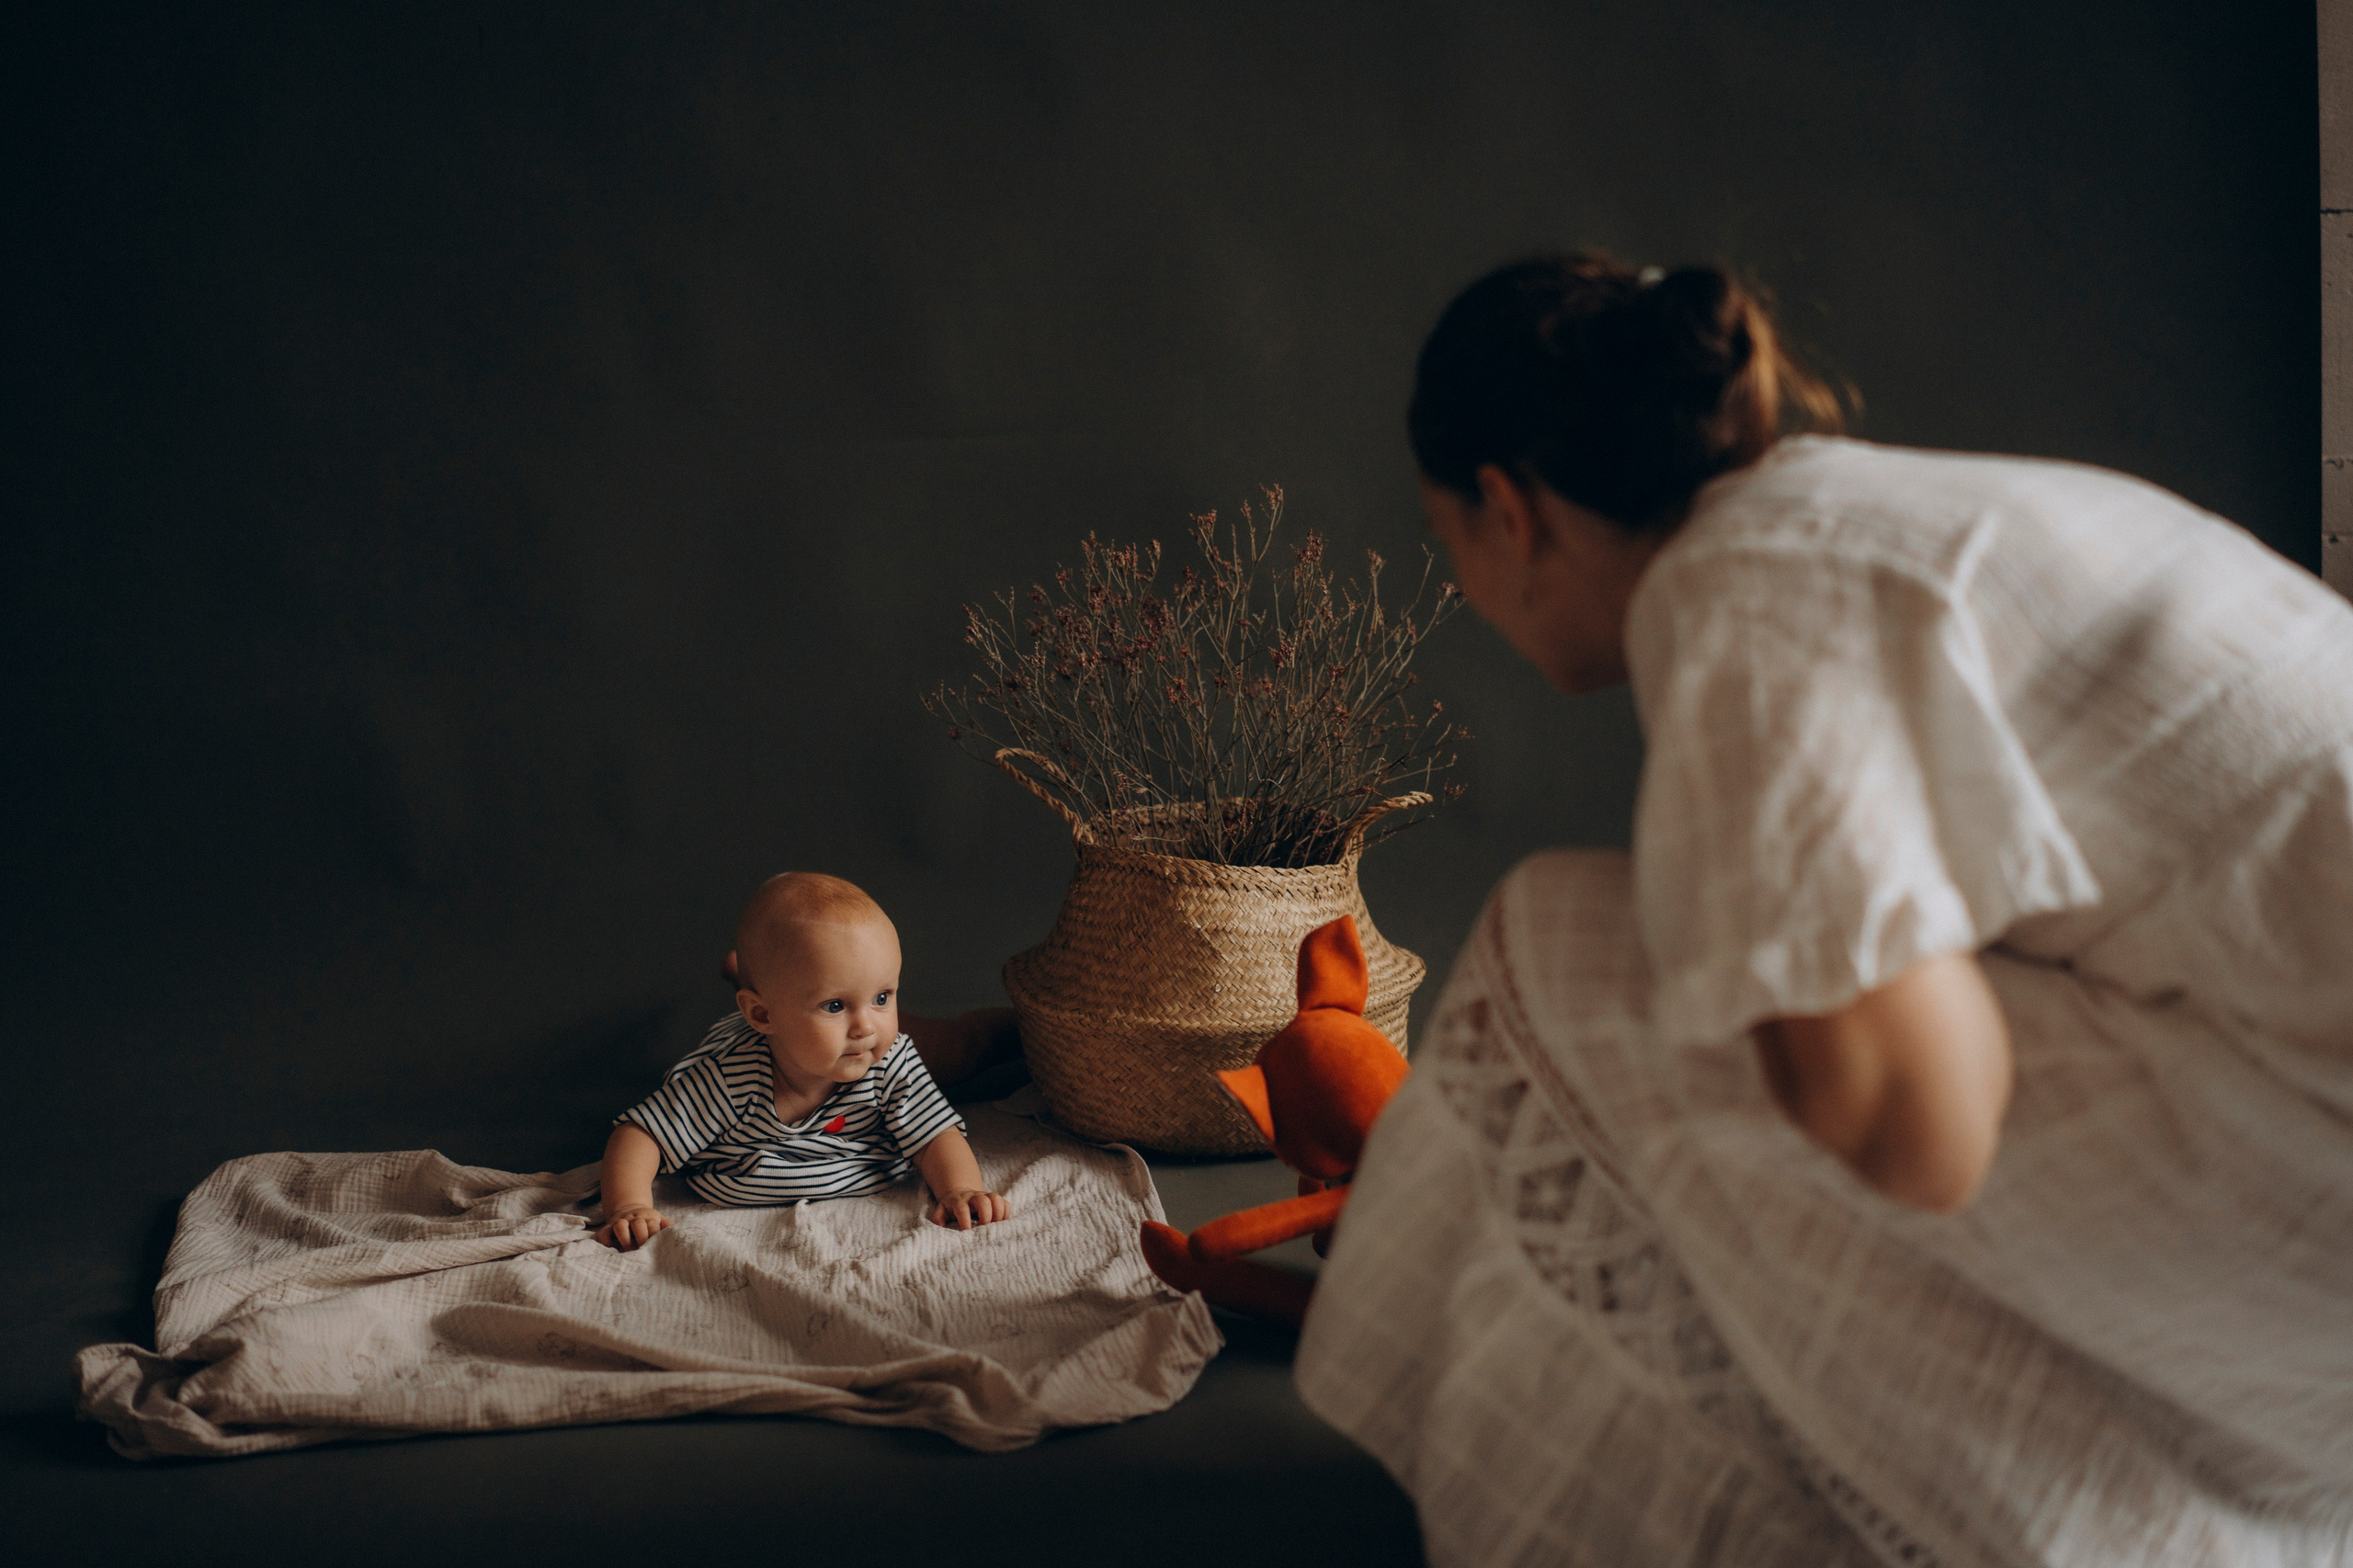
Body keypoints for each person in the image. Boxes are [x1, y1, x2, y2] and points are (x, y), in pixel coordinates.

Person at [1293, 253, 2353, 1565]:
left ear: (1506, 510)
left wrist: (1759, 956)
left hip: (2322, 1198)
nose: (1460, 584)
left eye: (1444, 539)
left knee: (1557, 948)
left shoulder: (1743, 588)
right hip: (2301, 1142)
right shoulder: (1847, 515)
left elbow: (1927, 1136)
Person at [597, 871, 1014, 1248]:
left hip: (809, 1034)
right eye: (834, 1005)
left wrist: (960, 1189)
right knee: (777, 990)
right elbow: (641, 1134)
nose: (866, 1026)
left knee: (962, 1051)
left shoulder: (888, 1061)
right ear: (761, 1015)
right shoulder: (728, 1080)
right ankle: (746, 975)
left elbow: (935, 1134)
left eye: (883, 997)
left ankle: (1017, 1027)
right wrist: (628, 1206)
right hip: (749, 1039)